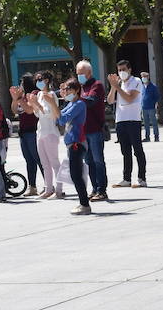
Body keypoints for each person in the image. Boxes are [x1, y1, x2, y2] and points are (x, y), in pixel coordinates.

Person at [109, 60, 147, 189]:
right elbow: (109, 100)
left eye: (124, 69)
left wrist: (118, 87)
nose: (121, 72)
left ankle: (142, 178)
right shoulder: (119, 83)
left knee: (137, 149)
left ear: (129, 69)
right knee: (125, 151)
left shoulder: (136, 81)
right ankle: (126, 178)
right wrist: (114, 86)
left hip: (133, 120)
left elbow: (130, 98)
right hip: (120, 120)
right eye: (119, 70)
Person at [76, 61, 109, 201]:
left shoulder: (97, 85)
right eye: (77, 73)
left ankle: (102, 190)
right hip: (83, 130)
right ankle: (95, 189)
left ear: (89, 73)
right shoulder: (80, 87)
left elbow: (91, 101)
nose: (79, 76)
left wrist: (77, 97)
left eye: (81, 73)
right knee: (89, 161)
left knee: (98, 160)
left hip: (95, 129)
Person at [31, 71, 67, 200]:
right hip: (40, 132)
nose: (38, 82)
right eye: (37, 80)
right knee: (44, 163)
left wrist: (38, 105)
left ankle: (58, 190)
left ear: (46, 80)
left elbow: (50, 113)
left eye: (40, 79)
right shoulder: (40, 94)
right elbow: (38, 114)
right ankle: (48, 189)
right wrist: (35, 104)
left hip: (51, 132)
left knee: (54, 162)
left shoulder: (51, 95)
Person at [57, 78, 91, 215]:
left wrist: (53, 104)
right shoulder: (71, 104)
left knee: (76, 175)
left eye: (68, 89)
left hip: (77, 143)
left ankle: (84, 204)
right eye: (65, 90)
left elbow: (63, 119)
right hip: (71, 143)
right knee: (75, 174)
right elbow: (58, 119)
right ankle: (83, 202)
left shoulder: (79, 104)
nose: (66, 92)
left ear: (76, 90)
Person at [11, 76, 41, 197]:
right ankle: (32, 187)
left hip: (33, 131)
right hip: (23, 132)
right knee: (29, 160)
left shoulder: (34, 94)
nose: (20, 85)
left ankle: (49, 185)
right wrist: (15, 99)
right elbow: (14, 110)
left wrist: (19, 99)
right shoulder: (21, 97)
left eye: (22, 83)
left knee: (38, 159)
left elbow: (29, 110)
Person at [140, 72, 161, 142]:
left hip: (151, 107)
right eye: (142, 77)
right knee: (146, 123)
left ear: (148, 77)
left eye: (144, 76)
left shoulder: (153, 87)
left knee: (154, 123)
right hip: (144, 107)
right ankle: (147, 137)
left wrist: (155, 104)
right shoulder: (141, 86)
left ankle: (156, 136)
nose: (143, 78)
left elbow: (157, 97)